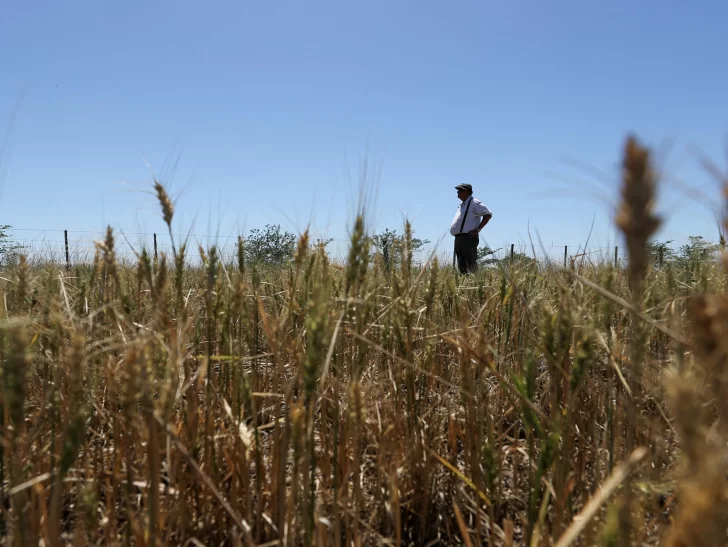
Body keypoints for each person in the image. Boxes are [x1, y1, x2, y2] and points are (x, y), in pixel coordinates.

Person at [450, 183, 492, 274]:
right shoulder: (463, 204)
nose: (458, 192)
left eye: (460, 190)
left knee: (470, 263)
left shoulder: (474, 202)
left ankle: (474, 283)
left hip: (468, 237)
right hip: (459, 238)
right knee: (461, 263)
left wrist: (478, 229)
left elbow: (488, 214)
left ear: (466, 191)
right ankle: (464, 284)